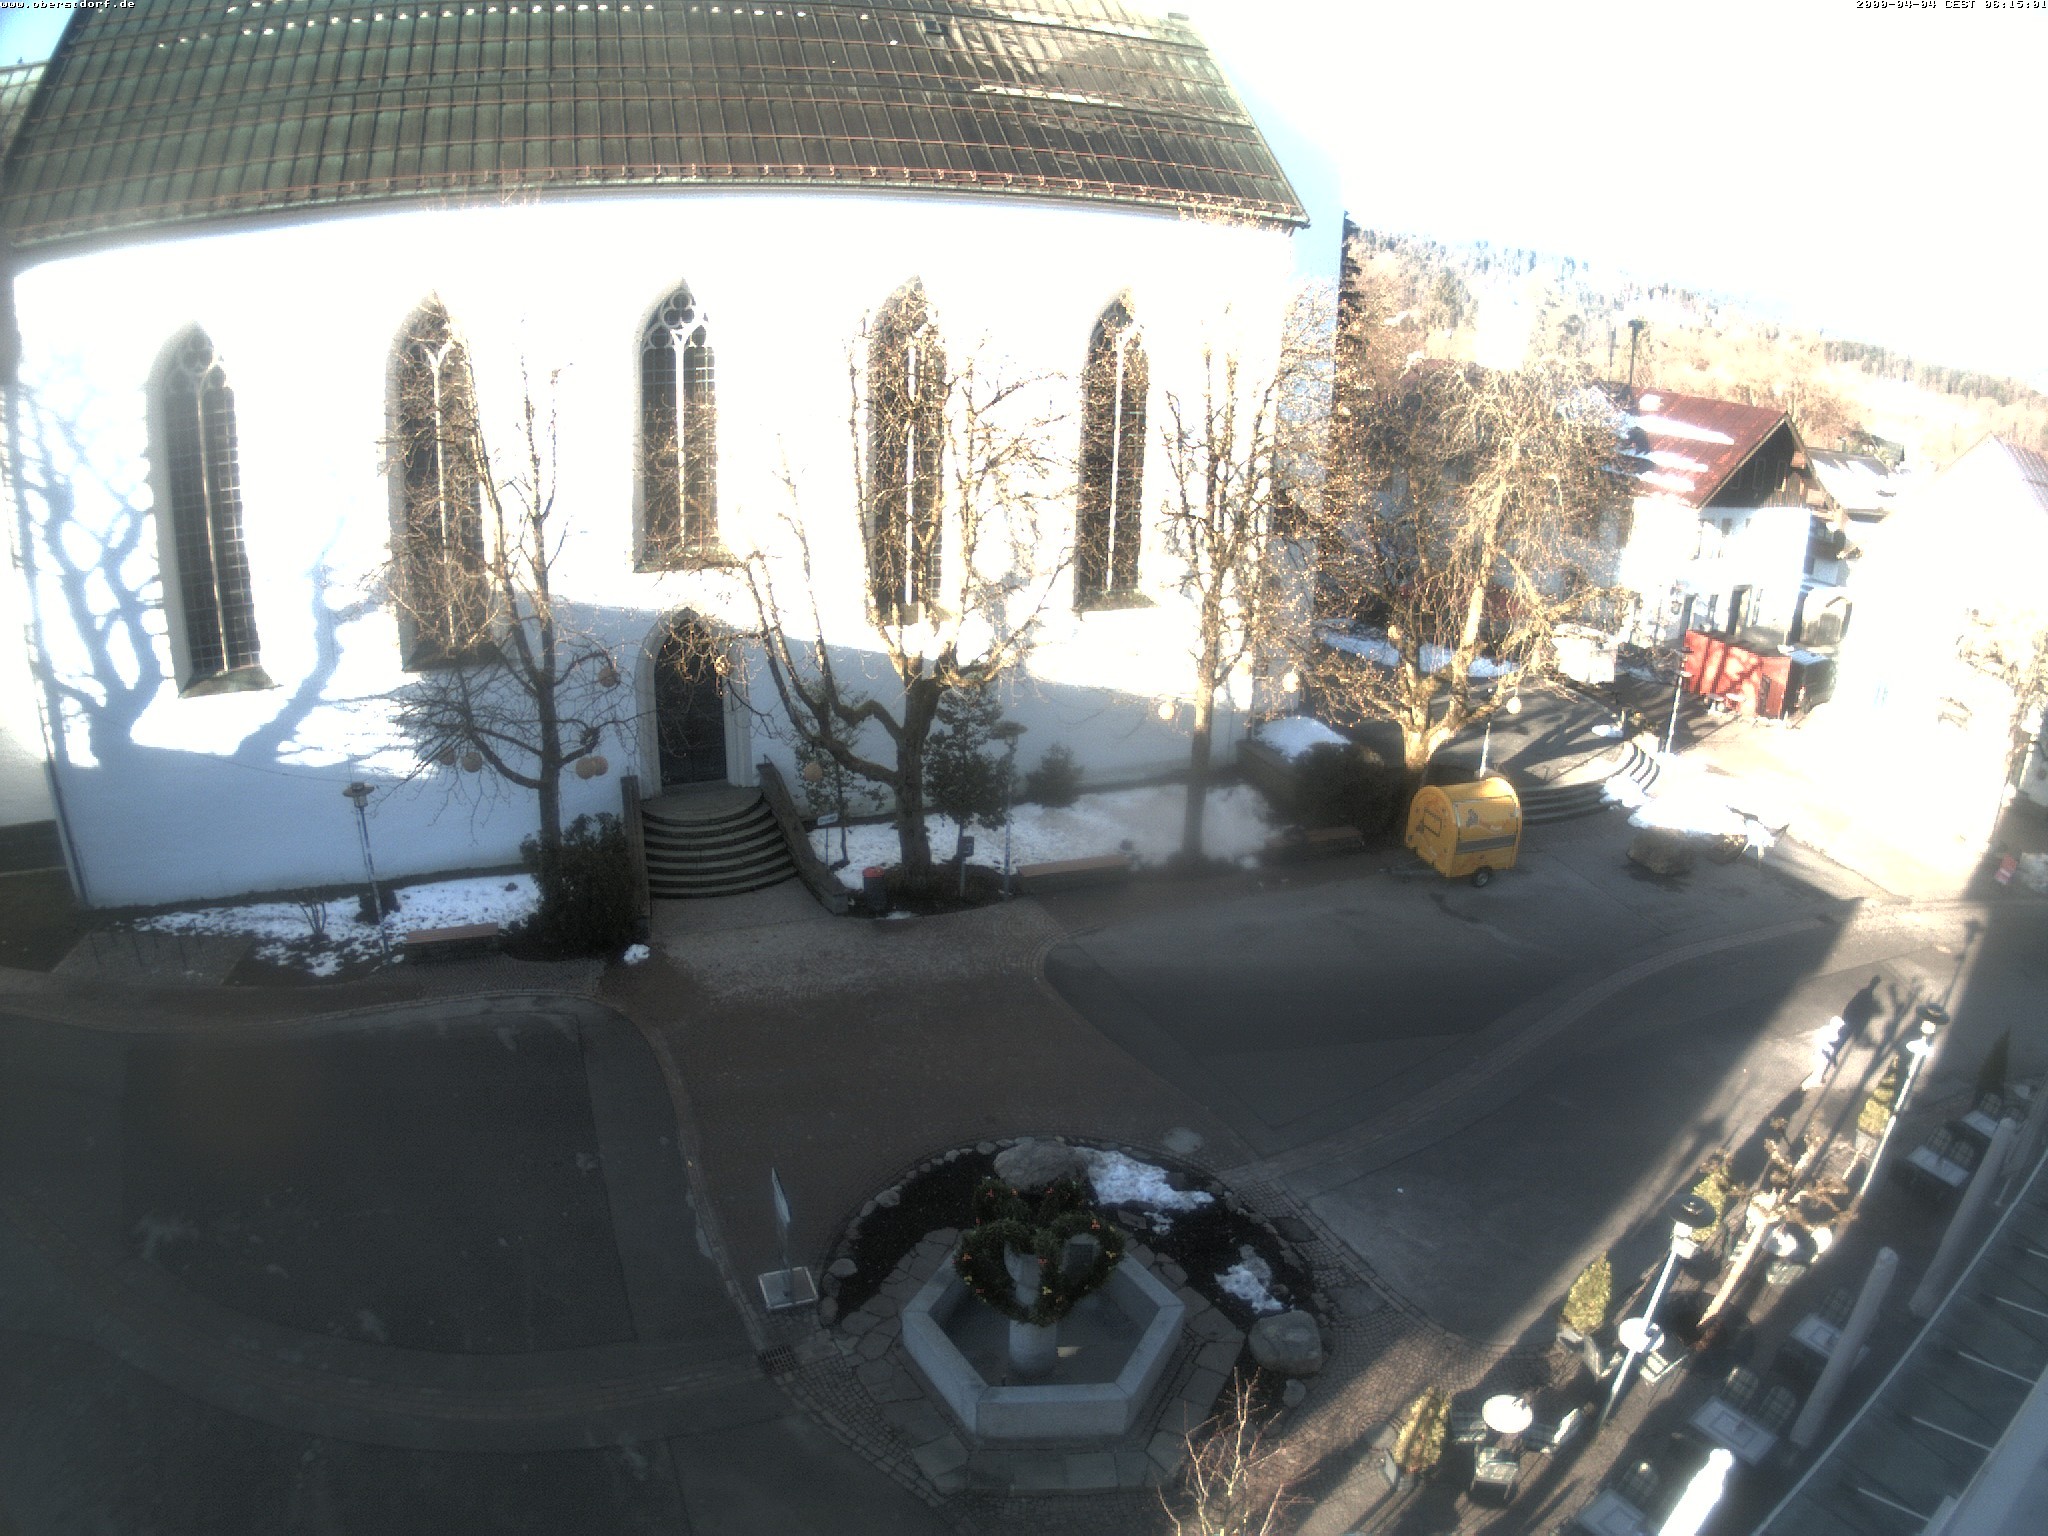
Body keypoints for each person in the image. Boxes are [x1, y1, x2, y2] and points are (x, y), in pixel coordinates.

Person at [1802, 1016, 1846, 1091]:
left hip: (1821, 1053)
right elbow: (1822, 1043)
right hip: (1821, 1055)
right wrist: (1830, 1049)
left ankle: (1816, 1081)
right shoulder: (1831, 1033)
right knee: (1818, 1070)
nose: (1840, 1027)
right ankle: (1805, 1085)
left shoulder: (1826, 1029)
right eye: (1840, 1026)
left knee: (1820, 1070)